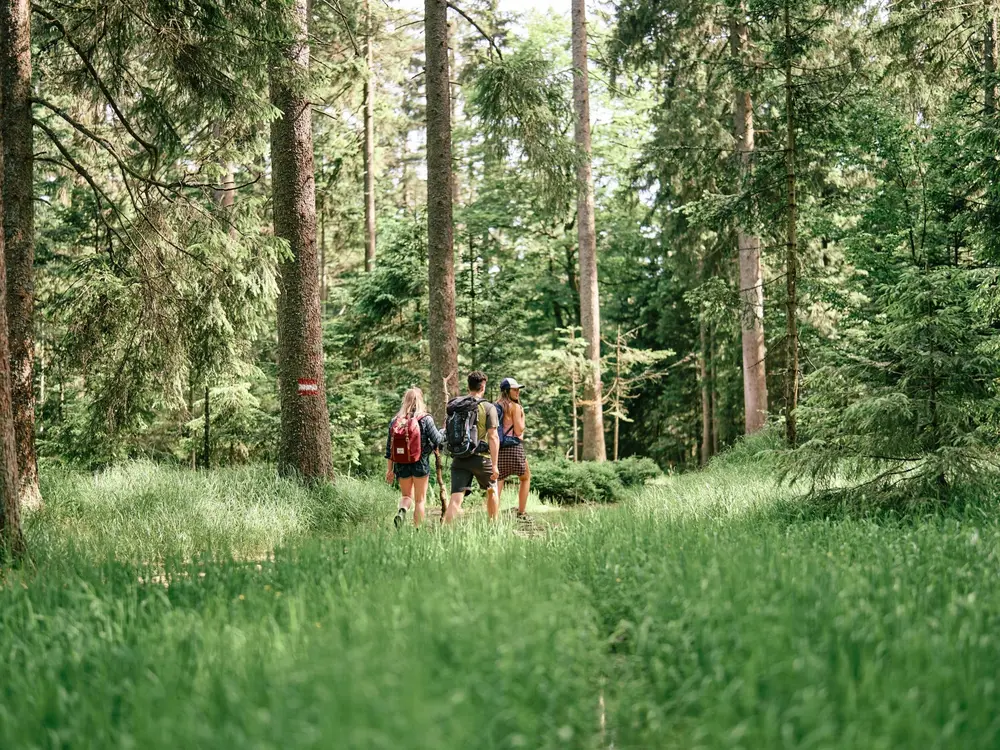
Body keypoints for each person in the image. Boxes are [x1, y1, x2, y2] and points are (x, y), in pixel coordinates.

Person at [443, 371, 500, 523]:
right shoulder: (488, 407)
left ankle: (444, 533)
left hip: (459, 457)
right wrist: (494, 465)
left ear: (468, 386)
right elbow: (493, 437)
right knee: (492, 490)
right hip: (481, 459)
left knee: (456, 498)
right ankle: (494, 528)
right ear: (483, 387)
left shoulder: (457, 405)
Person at [384, 387, 445, 528]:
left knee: (406, 496)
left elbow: (389, 448)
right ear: (420, 401)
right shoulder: (425, 419)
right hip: (420, 463)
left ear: (405, 401)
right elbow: (438, 440)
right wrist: (443, 432)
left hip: (401, 464)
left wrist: (390, 470)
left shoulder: (395, 421)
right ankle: (417, 530)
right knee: (420, 501)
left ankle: (402, 510)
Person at [495, 377, 531, 518]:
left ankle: (493, 516)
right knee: (526, 477)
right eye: (514, 389)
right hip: (514, 447)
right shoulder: (515, 407)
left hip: (499, 447)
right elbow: (519, 430)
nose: (518, 392)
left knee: (499, 480)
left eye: (518, 389)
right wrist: (522, 416)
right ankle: (521, 512)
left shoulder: (496, 405)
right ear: (506, 391)